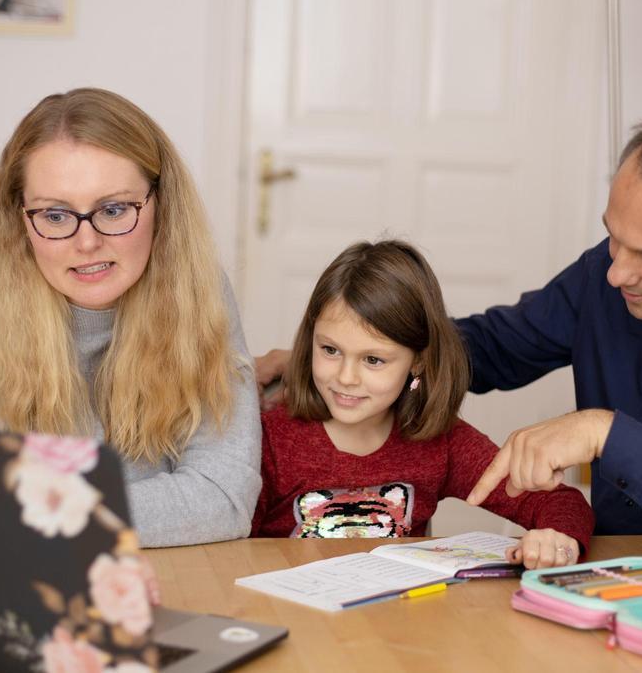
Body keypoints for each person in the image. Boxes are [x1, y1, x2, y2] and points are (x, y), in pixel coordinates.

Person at [258, 104, 642, 584]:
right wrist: (373, 353)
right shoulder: (606, 278)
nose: (615, 274)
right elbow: (491, 347)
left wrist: (609, 434)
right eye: (614, 238)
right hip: (605, 578)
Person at [0, 88, 261, 548]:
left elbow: (223, 498)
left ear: (161, 204)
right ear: (19, 217)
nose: (86, 243)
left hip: (167, 577)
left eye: (114, 209)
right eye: (56, 215)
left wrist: (15, 512)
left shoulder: (201, 293)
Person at [252, 240, 594, 569]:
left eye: (372, 359)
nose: (345, 377)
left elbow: (560, 501)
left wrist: (556, 540)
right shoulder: (270, 441)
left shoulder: (441, 443)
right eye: (330, 350)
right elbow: (229, 549)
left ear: (417, 362)